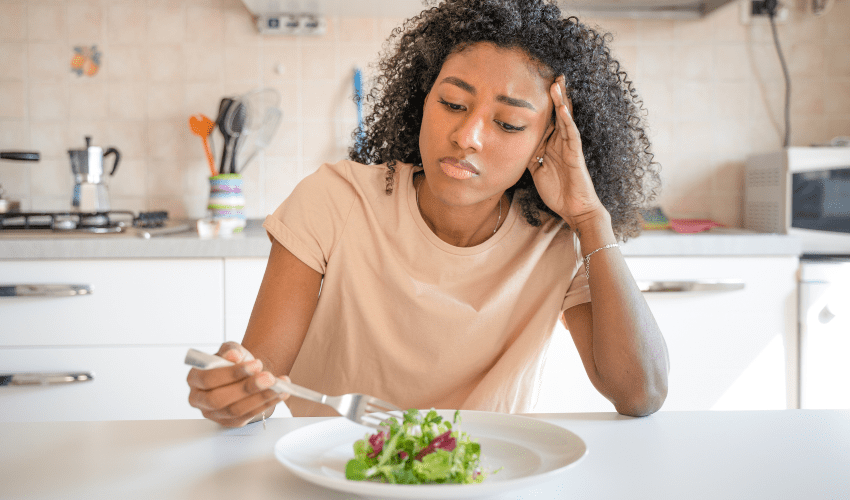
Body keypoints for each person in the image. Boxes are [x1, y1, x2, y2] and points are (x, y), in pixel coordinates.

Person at [187, 0, 669, 427]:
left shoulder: (558, 237)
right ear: (423, 100)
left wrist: (590, 217)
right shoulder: (333, 200)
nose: (467, 136)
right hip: (333, 469)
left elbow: (639, 393)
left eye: (508, 123)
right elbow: (261, 378)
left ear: (546, 142)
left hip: (483, 476)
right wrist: (237, 389)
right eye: (453, 103)